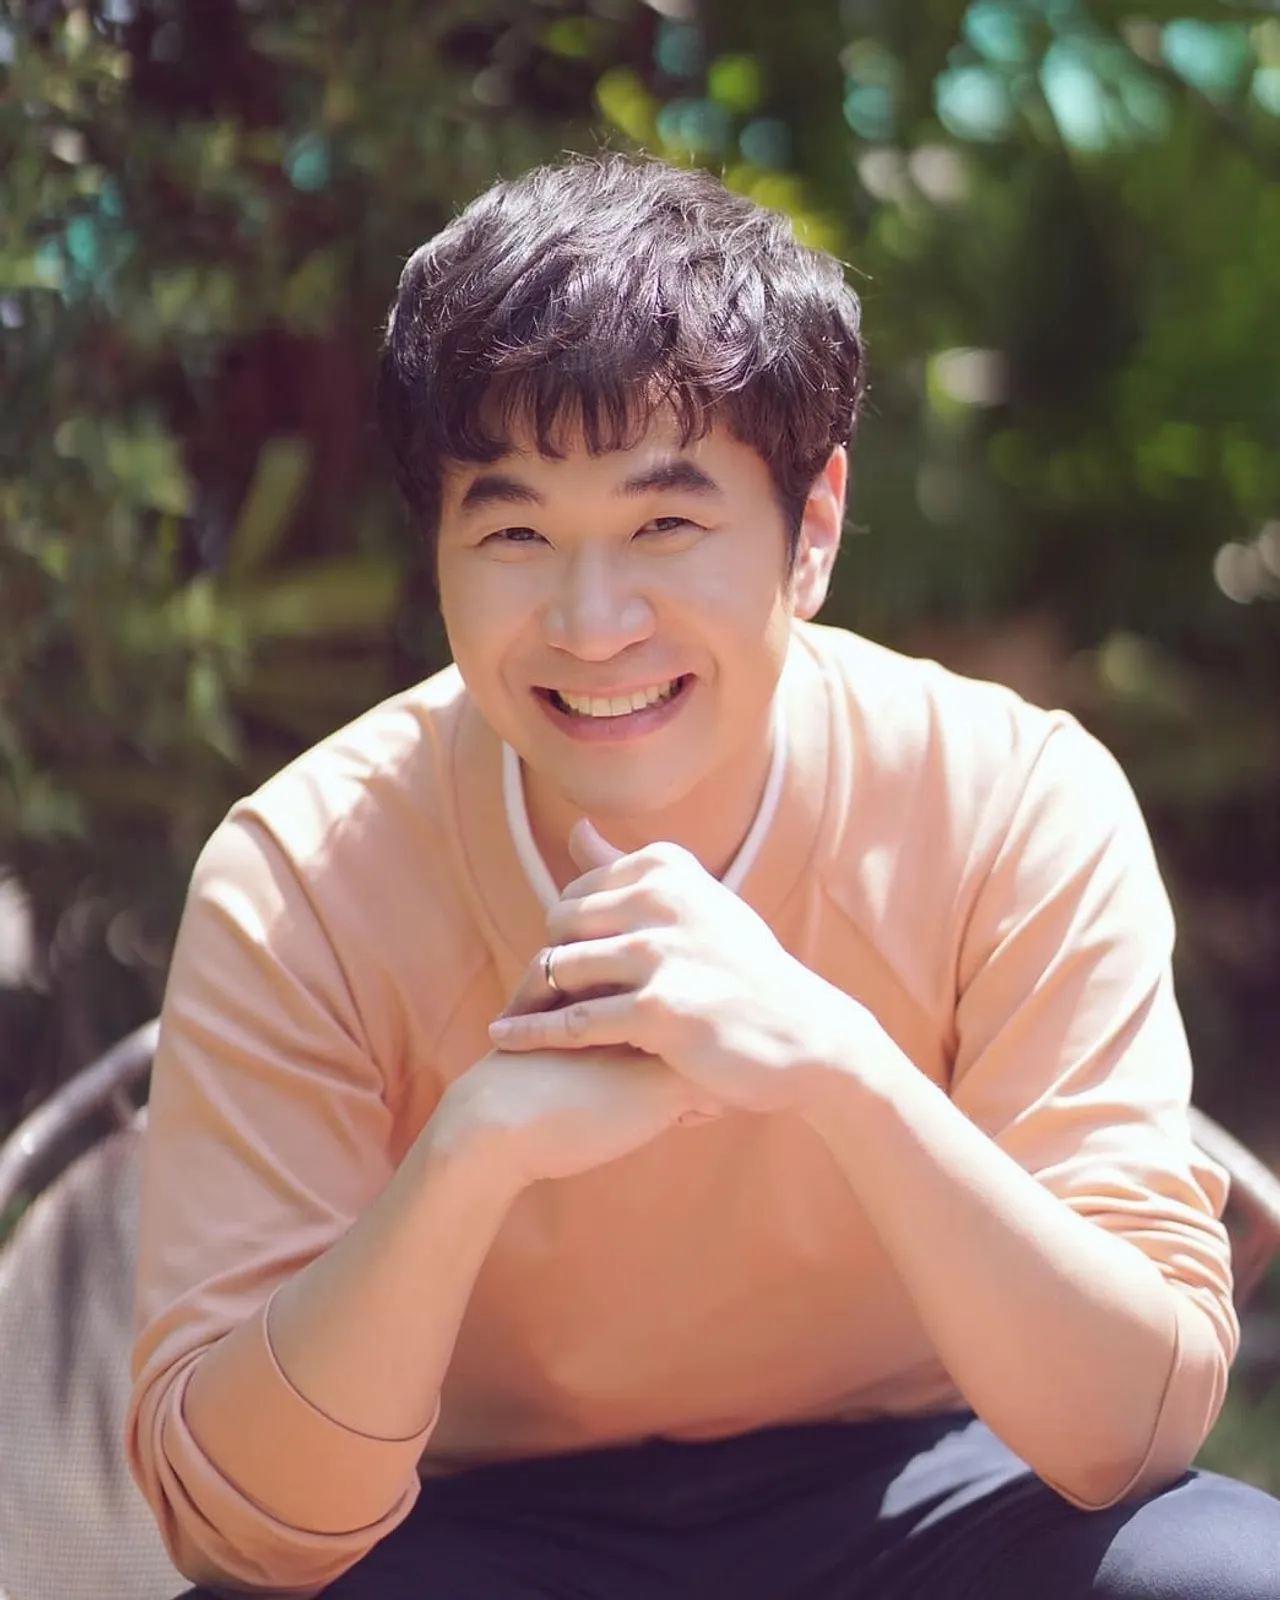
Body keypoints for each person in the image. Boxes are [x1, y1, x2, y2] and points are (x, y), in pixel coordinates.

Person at [127, 153, 1280, 1599]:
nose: (592, 621)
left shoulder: (1010, 801)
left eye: (665, 525)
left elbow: (1132, 1433)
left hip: (924, 1491)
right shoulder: (301, 878)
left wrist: (843, 1073)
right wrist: (467, 1158)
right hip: (473, 1526)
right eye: (514, 531)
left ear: (812, 531)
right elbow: (238, 1530)